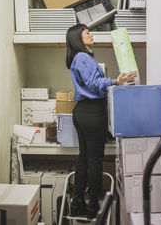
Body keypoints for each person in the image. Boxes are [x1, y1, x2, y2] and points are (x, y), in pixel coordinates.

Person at [66, 24, 137, 220]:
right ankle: (92, 207)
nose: (91, 34)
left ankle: (77, 203)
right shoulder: (83, 58)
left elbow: (91, 83)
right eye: (87, 33)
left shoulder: (81, 58)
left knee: (84, 159)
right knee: (94, 160)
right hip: (91, 111)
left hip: (82, 112)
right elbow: (94, 84)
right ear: (78, 38)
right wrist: (116, 81)